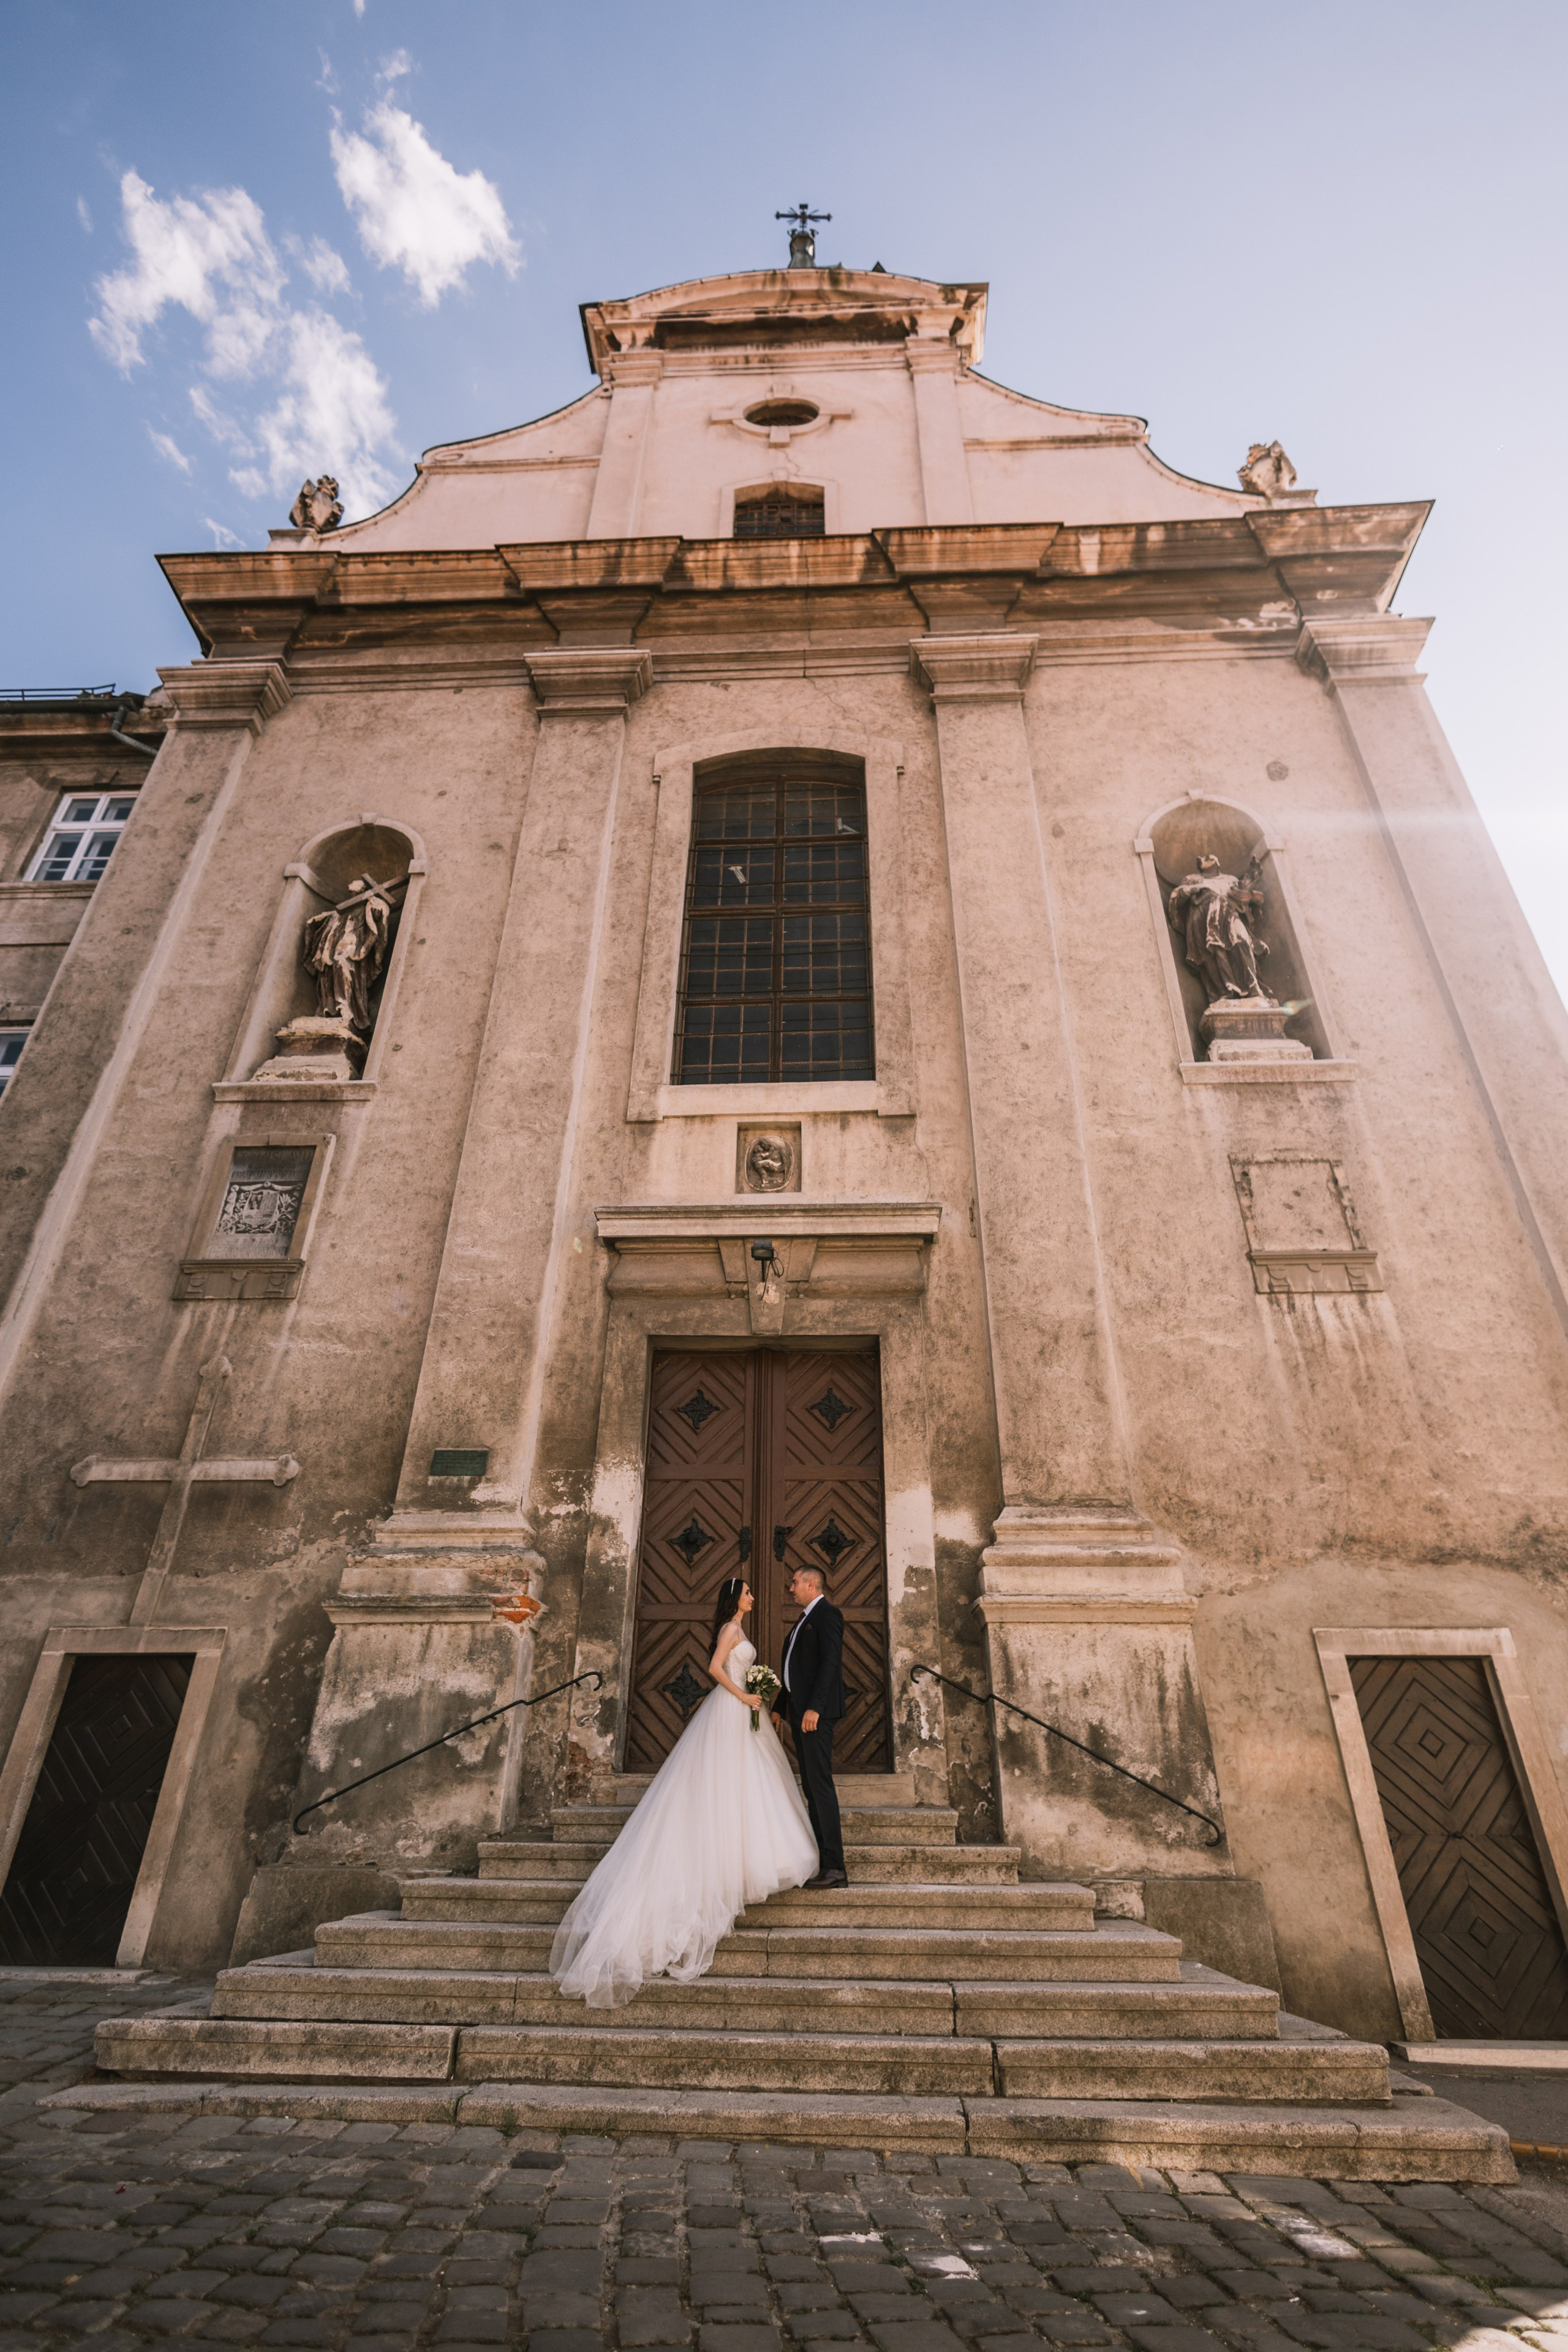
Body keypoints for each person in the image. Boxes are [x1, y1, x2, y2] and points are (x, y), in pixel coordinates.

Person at [549, 1578, 817, 2008]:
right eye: (749, 1592)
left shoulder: (739, 1630)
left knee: (750, 1782)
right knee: (726, 1782)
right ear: (735, 1599)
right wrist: (745, 1694)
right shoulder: (731, 1630)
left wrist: (757, 1694)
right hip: (729, 1710)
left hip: (743, 1710)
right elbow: (715, 1670)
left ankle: (741, 1858)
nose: (753, 1597)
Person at [774, 1563, 848, 1889]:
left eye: (794, 1583)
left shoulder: (827, 1615)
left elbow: (831, 1663)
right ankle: (825, 1862)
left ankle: (835, 1868)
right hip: (801, 1712)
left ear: (810, 1584)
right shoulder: (804, 1620)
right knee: (812, 1788)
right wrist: (780, 1708)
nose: (791, 1589)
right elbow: (797, 1672)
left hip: (815, 1715)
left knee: (820, 1787)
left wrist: (815, 1708)